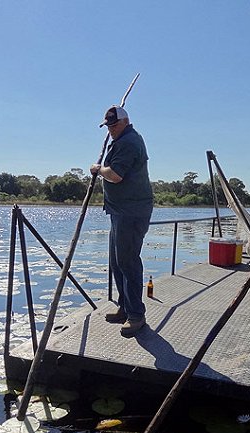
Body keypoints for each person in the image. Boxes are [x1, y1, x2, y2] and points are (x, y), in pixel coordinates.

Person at [90, 105, 153, 337]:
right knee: (117, 262)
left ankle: (137, 315)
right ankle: (125, 307)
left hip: (131, 211)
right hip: (119, 211)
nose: (111, 130)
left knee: (127, 262)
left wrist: (98, 169)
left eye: (114, 125)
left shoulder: (129, 142)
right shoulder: (122, 139)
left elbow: (115, 175)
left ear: (125, 122)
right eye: (108, 126)